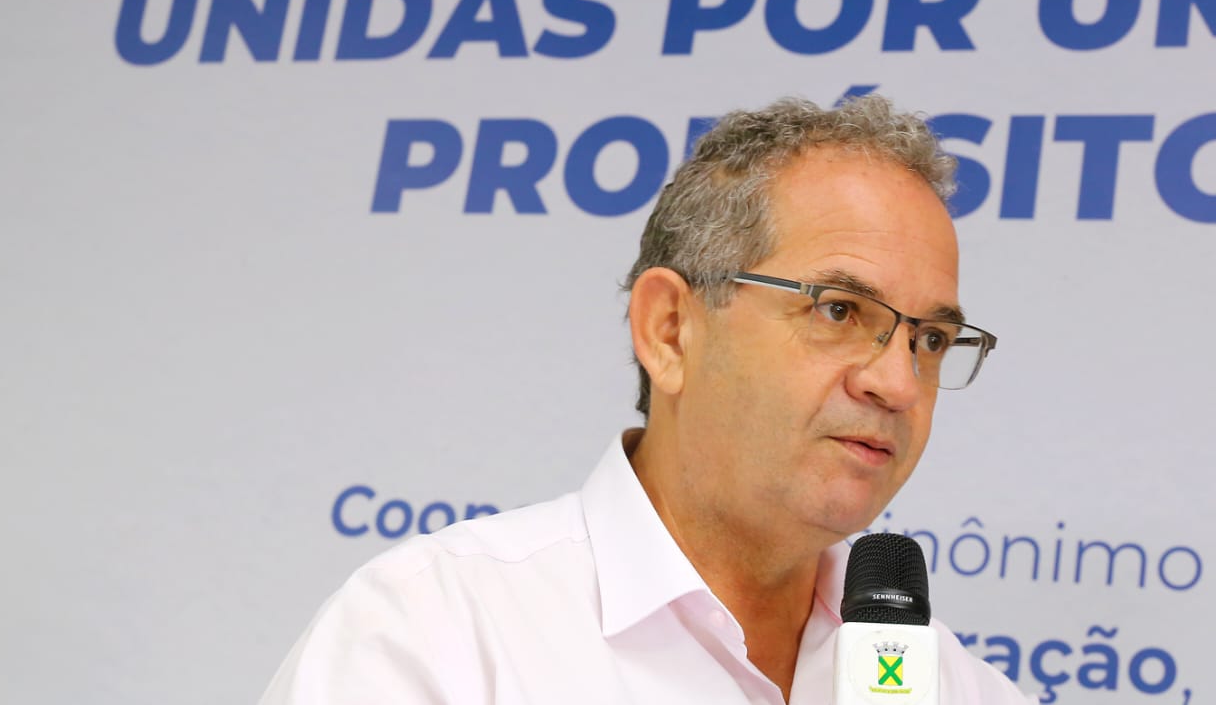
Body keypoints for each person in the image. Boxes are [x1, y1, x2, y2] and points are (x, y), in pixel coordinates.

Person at [260, 95, 1026, 704]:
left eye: (930, 339)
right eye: (838, 311)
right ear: (670, 330)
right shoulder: (435, 634)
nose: (897, 383)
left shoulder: (960, 690)